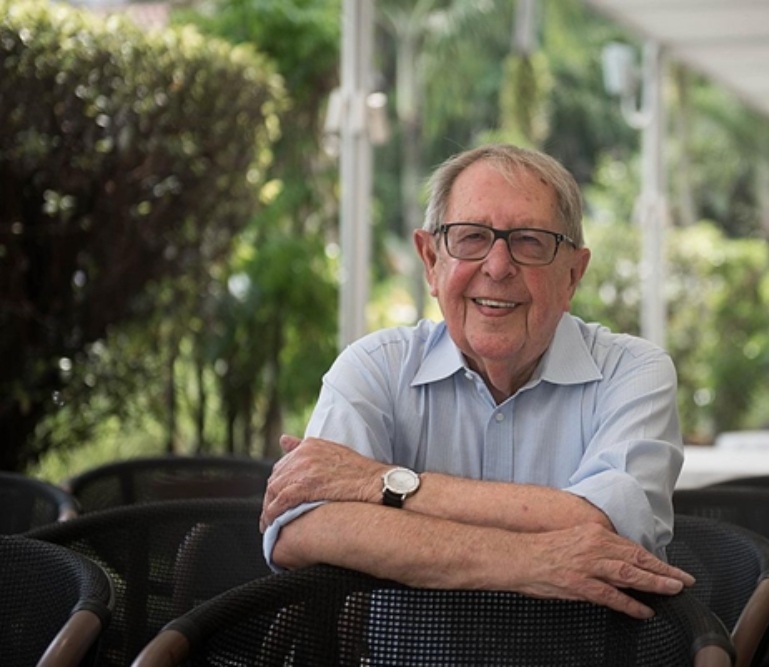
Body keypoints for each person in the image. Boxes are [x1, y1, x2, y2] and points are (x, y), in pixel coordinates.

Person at [261, 143, 690, 620]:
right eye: (470, 237)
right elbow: (301, 530)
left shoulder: (633, 372)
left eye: (529, 241)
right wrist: (530, 561)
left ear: (572, 274)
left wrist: (378, 484)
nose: (498, 265)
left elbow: (602, 524)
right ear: (430, 261)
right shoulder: (376, 367)